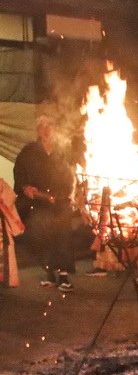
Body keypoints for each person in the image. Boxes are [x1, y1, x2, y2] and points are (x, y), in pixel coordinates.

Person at [13, 115, 77, 292]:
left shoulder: (62, 150)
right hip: (39, 202)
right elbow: (19, 171)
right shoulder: (29, 151)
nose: (47, 129)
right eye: (43, 126)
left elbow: (71, 173)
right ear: (38, 130)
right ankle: (49, 274)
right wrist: (24, 186)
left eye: (50, 125)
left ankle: (63, 276)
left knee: (63, 236)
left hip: (60, 200)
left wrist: (68, 194)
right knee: (43, 236)